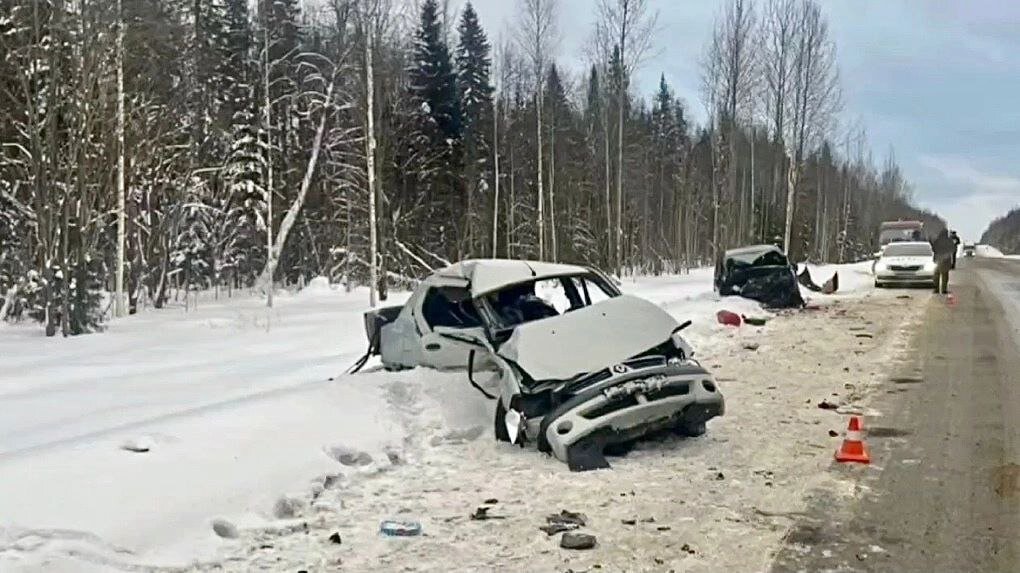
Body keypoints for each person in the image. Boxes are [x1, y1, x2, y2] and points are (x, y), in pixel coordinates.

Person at [931, 229, 955, 294]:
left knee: (937, 274)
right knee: (944, 275)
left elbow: (934, 249)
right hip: (945, 258)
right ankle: (943, 290)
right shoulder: (949, 240)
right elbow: (953, 249)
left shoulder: (938, 240)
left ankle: (937, 289)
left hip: (940, 258)